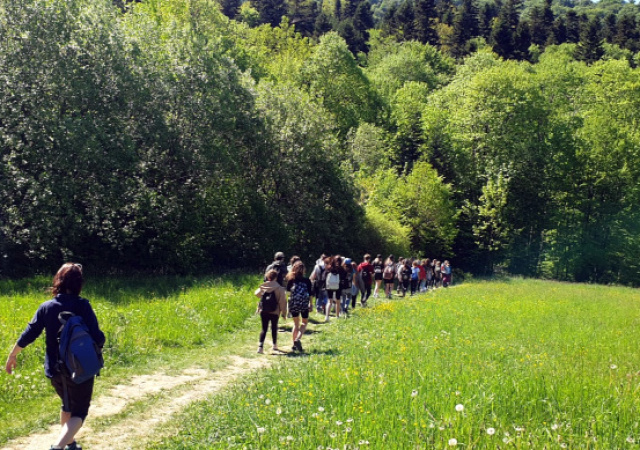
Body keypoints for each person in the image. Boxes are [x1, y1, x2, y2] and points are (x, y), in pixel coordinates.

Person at [5, 263, 105, 450]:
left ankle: (71, 444)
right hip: (80, 368)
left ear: (58, 280)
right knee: (80, 412)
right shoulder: (83, 306)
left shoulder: (47, 307)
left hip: (55, 369)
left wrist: (12, 355)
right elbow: (98, 337)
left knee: (67, 405)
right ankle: (58, 446)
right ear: (78, 284)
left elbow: (29, 333)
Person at [255, 269, 287, 353]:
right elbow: (282, 302)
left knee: (264, 329)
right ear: (276, 278)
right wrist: (284, 313)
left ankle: (260, 347)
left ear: (267, 277)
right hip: (275, 311)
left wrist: (263, 286)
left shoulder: (264, 286)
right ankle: (274, 345)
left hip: (263, 310)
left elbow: (256, 294)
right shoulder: (280, 288)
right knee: (274, 328)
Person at [285, 261, 312, 352]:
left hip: (294, 303)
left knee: (296, 324)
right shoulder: (307, 280)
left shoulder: (291, 280)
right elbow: (310, 294)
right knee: (304, 323)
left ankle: (293, 345)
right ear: (303, 270)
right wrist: (311, 304)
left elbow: (288, 293)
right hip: (304, 303)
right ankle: (298, 339)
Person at [322, 256, 346, 321]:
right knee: (338, 301)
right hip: (338, 286)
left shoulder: (329, 268)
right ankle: (337, 316)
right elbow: (344, 278)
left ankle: (327, 316)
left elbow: (324, 277)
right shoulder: (341, 269)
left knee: (330, 301)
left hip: (329, 286)